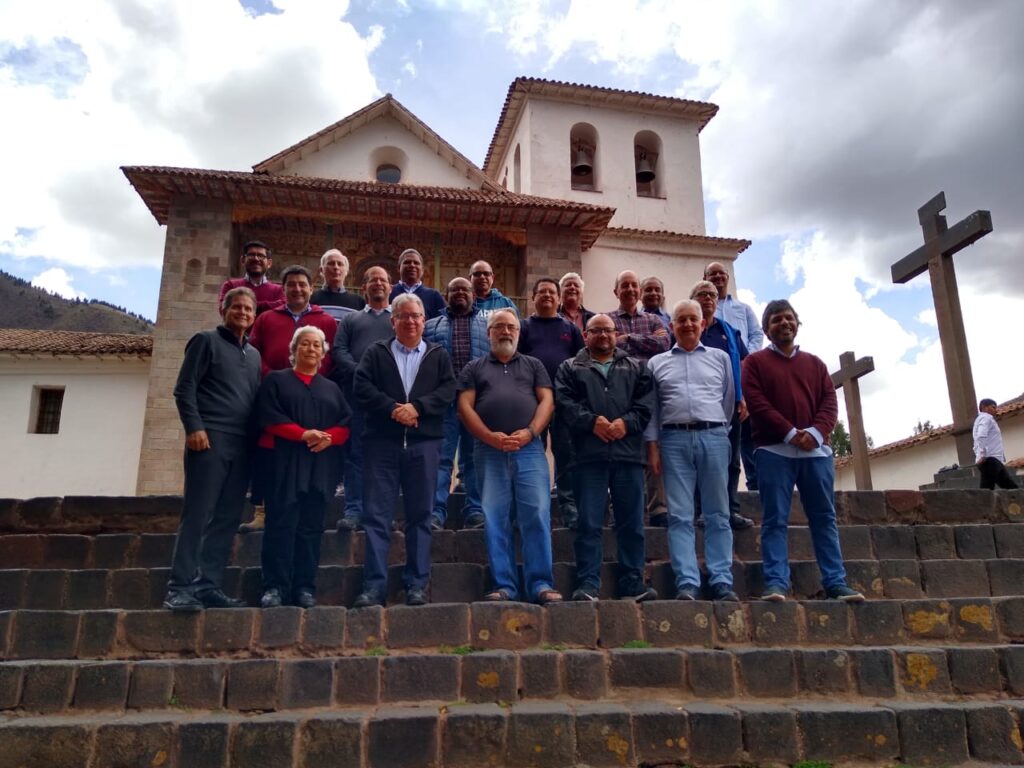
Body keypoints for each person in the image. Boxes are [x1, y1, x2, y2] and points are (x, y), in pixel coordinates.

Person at [742, 299, 864, 602]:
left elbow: (828, 402)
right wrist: (789, 432)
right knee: (774, 520)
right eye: (776, 320)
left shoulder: (816, 364)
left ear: (797, 323)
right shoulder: (754, 364)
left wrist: (815, 432)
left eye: (788, 318)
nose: (784, 324)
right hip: (774, 452)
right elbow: (756, 403)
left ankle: (835, 582)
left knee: (824, 518)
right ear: (766, 329)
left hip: (815, 453)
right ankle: (776, 583)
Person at [352, 294, 456, 607]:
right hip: (382, 445)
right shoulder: (376, 352)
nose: (411, 321)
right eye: (404, 316)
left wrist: (418, 408)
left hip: (423, 445)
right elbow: (361, 386)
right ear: (393, 321)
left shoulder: (438, 355)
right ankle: (374, 586)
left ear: (424, 320)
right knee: (376, 517)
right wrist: (392, 409)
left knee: (421, 516)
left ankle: (416, 584)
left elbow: (448, 390)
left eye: (416, 316)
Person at [164, 287, 262, 612]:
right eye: (237, 307)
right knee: (198, 515)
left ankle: (208, 585)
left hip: (242, 446)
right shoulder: (205, 341)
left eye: (249, 309)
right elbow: (184, 388)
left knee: (227, 518)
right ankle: (179, 588)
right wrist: (194, 427)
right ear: (224, 309)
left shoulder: (255, 355)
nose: (243, 313)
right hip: (209, 439)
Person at [458, 310, 562, 605]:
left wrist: (531, 432)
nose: (505, 331)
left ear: (518, 332)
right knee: (494, 517)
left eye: (511, 327)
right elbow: (465, 407)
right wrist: (489, 436)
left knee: (537, 515)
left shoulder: (533, 365)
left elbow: (547, 401)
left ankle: (541, 583)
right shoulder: (474, 367)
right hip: (489, 451)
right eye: (499, 327)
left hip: (529, 450)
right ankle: (504, 584)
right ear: (489, 333)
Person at [555, 313, 657, 602]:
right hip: (589, 456)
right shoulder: (570, 367)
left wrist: (626, 423)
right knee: (588, 522)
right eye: (596, 331)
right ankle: (588, 583)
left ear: (616, 334)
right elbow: (565, 402)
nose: (603, 335)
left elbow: (645, 404)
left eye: (608, 331)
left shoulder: (635, 367)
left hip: (628, 455)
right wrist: (591, 422)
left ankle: (632, 583)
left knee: (632, 522)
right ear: (585, 335)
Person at [645, 300, 738, 602]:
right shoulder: (657, 363)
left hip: (713, 436)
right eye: (680, 320)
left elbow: (728, 398)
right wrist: (654, 448)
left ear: (702, 324)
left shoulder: (720, 358)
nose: (686, 325)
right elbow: (653, 409)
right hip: (673, 440)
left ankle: (722, 579)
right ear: (671, 327)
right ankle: (687, 582)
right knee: (680, 515)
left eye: (692, 320)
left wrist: (718, 431)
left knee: (718, 513)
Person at [258, 326, 351, 608]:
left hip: (319, 468)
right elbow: (268, 416)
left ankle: (304, 588)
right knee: (280, 526)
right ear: (294, 349)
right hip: (284, 466)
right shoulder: (276, 381)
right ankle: (275, 586)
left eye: (316, 345)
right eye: (305, 344)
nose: (311, 349)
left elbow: (345, 423)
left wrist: (329, 438)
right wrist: (302, 434)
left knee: (311, 529)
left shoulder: (331, 388)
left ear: (323, 354)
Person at [331, 266, 396, 531]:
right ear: (364, 287)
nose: (378, 284)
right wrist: (361, 372)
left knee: (386, 456)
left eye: (383, 280)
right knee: (355, 453)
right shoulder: (351, 320)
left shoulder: (399, 319)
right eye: (372, 280)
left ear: (391, 287)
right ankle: (354, 509)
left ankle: (382, 512)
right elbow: (339, 350)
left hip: (389, 399)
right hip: (356, 396)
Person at [423, 277, 489, 530]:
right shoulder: (431, 327)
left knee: (474, 458)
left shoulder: (487, 326)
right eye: (454, 289)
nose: (460, 293)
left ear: (473, 294)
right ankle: (435, 512)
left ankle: (475, 510)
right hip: (444, 402)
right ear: (446, 294)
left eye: (465, 289)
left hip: (477, 402)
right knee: (441, 458)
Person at [519, 277, 584, 528]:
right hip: (531, 402)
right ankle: (532, 501)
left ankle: (568, 504)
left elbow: (581, 364)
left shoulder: (570, 329)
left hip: (564, 402)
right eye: (541, 291)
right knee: (532, 452)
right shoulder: (524, 327)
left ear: (558, 299)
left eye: (551, 292)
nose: (547, 295)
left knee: (565, 452)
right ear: (533, 297)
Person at [691, 280, 755, 530]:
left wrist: (743, 397)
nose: (707, 298)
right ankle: (701, 510)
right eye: (702, 294)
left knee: (731, 460)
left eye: (712, 295)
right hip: (699, 405)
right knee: (699, 459)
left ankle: (731, 510)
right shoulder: (690, 327)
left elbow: (742, 365)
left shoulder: (729, 331)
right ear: (693, 298)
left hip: (729, 403)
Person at [706, 261, 762, 490]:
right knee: (724, 439)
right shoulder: (703, 310)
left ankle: (755, 485)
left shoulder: (743, 308)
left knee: (747, 431)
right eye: (712, 274)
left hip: (741, 370)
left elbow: (757, 333)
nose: (718, 277)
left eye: (721, 273)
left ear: (727, 277)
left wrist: (746, 357)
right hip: (714, 379)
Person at [249, 265, 338, 378]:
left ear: (311, 289)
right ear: (283, 289)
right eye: (291, 285)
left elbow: (333, 357)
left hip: (313, 387)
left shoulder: (327, 321)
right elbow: (253, 352)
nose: (297, 289)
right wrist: (269, 375)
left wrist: (313, 376)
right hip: (272, 385)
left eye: (302, 284)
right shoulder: (265, 319)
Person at [217, 240, 284, 315]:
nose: (256, 259)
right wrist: (270, 305)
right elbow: (224, 310)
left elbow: (284, 308)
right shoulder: (230, 285)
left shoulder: (279, 290)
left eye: (261, 256)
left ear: (269, 263)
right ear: (242, 260)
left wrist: (242, 305)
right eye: (251, 255)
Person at [389, 248, 446, 320]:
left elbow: (442, 324)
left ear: (422, 270)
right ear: (398, 268)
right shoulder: (389, 292)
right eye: (407, 262)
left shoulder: (434, 296)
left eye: (416, 263)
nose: (412, 265)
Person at [974, 398, 1019, 489]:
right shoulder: (986, 417)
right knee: (986, 490)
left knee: (1011, 487)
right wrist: (982, 454)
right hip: (990, 460)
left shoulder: (982, 420)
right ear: (984, 407)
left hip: (994, 460)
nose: (996, 410)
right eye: (993, 407)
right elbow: (981, 436)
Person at [311, 248, 365, 321]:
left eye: (340, 264)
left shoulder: (359, 302)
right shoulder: (311, 299)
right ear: (321, 270)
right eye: (331, 263)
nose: (336, 267)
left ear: (346, 271)